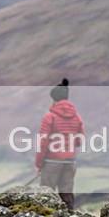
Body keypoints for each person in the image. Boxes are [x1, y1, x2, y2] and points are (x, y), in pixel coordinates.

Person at [35, 78, 84, 210]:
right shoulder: (77, 117)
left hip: (52, 161)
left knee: (46, 195)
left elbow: (43, 142)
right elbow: (79, 141)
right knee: (67, 194)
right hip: (70, 160)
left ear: (54, 99)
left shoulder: (50, 117)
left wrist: (38, 164)